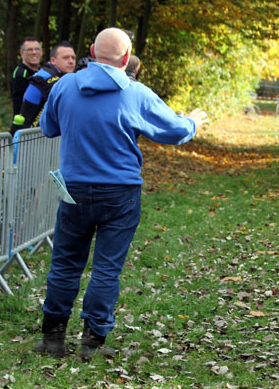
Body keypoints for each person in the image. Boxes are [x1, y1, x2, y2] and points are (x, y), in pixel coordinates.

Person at [33, 27, 209, 358]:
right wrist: (193, 122)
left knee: (66, 264)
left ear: (91, 51)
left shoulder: (65, 86)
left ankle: (53, 338)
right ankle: (93, 342)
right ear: (127, 59)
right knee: (106, 268)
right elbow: (173, 131)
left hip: (74, 189)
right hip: (120, 194)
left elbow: (48, 127)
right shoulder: (136, 92)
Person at [10, 41, 77, 135]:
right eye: (66, 58)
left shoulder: (63, 77)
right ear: (53, 60)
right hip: (32, 138)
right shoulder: (43, 78)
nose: (71, 61)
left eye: (73, 58)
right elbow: (26, 112)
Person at [10, 37, 43, 117]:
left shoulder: (43, 72)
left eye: (37, 49)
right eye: (30, 50)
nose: (34, 52)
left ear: (42, 52)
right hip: (26, 124)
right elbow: (20, 105)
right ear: (22, 53)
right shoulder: (20, 74)